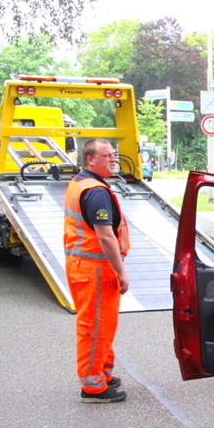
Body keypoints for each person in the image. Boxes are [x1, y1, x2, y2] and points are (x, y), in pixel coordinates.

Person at [64, 138, 131, 403]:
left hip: (86, 266)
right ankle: (93, 387)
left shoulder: (81, 182)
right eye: (106, 155)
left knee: (103, 325)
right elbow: (105, 237)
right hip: (96, 268)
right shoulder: (96, 192)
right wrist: (121, 272)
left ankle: (102, 373)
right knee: (94, 327)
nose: (113, 159)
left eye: (114, 154)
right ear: (90, 159)